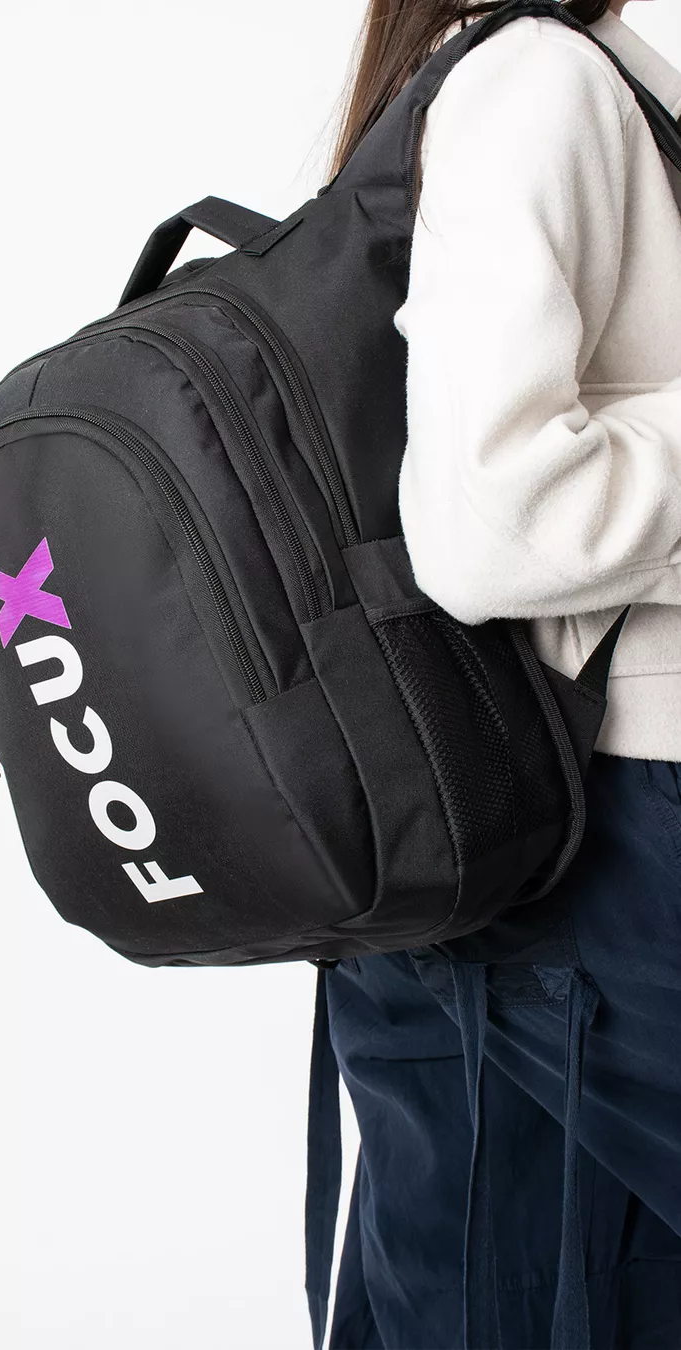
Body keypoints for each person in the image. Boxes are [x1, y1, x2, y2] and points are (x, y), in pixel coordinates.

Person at [319, 2, 681, 1347]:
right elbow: (489, 519)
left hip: (519, 821)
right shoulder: (538, 79)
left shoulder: (540, 73)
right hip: (604, 832)